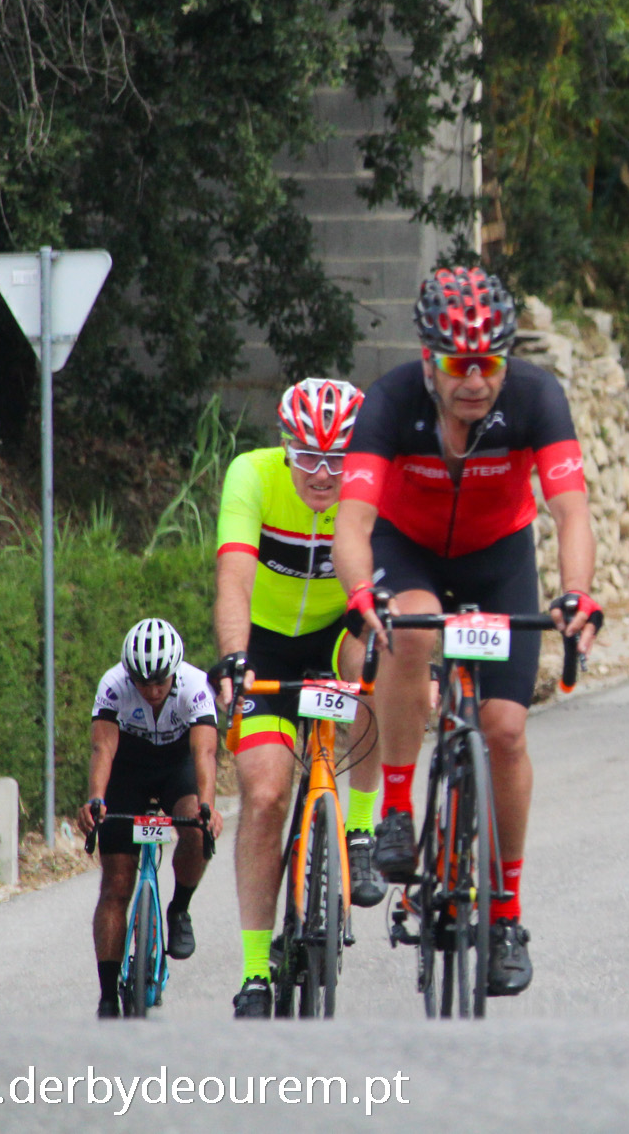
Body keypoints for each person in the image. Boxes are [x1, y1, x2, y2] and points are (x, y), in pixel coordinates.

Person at [332, 265, 602, 999]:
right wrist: (363, 597)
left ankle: (507, 915)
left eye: (490, 361)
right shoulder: (389, 403)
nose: (476, 379)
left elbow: (570, 510)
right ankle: (394, 809)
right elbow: (353, 523)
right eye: (459, 363)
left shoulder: (536, 397)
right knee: (411, 632)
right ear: (430, 359)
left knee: (507, 731)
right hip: (407, 550)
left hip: (497, 562)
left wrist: (577, 593)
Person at [214, 377, 374, 1020]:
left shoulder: (370, 488)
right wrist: (233, 656)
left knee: (380, 665)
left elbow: (388, 589)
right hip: (268, 649)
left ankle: (359, 826)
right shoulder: (252, 476)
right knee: (265, 792)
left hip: (338, 639)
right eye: (308, 456)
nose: (322, 473)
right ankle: (255, 972)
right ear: (286, 447)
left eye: (338, 459)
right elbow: (234, 579)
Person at [77, 619, 221, 1019]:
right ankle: (107, 995)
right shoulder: (113, 684)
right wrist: (96, 800)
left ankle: (179, 907)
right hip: (128, 768)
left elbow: (205, 753)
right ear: (129, 673)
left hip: (177, 766)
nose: (153, 691)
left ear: (175, 670)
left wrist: (207, 809)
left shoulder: (195, 686)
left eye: (160, 682)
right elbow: (102, 748)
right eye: (143, 682)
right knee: (116, 885)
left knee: (194, 823)